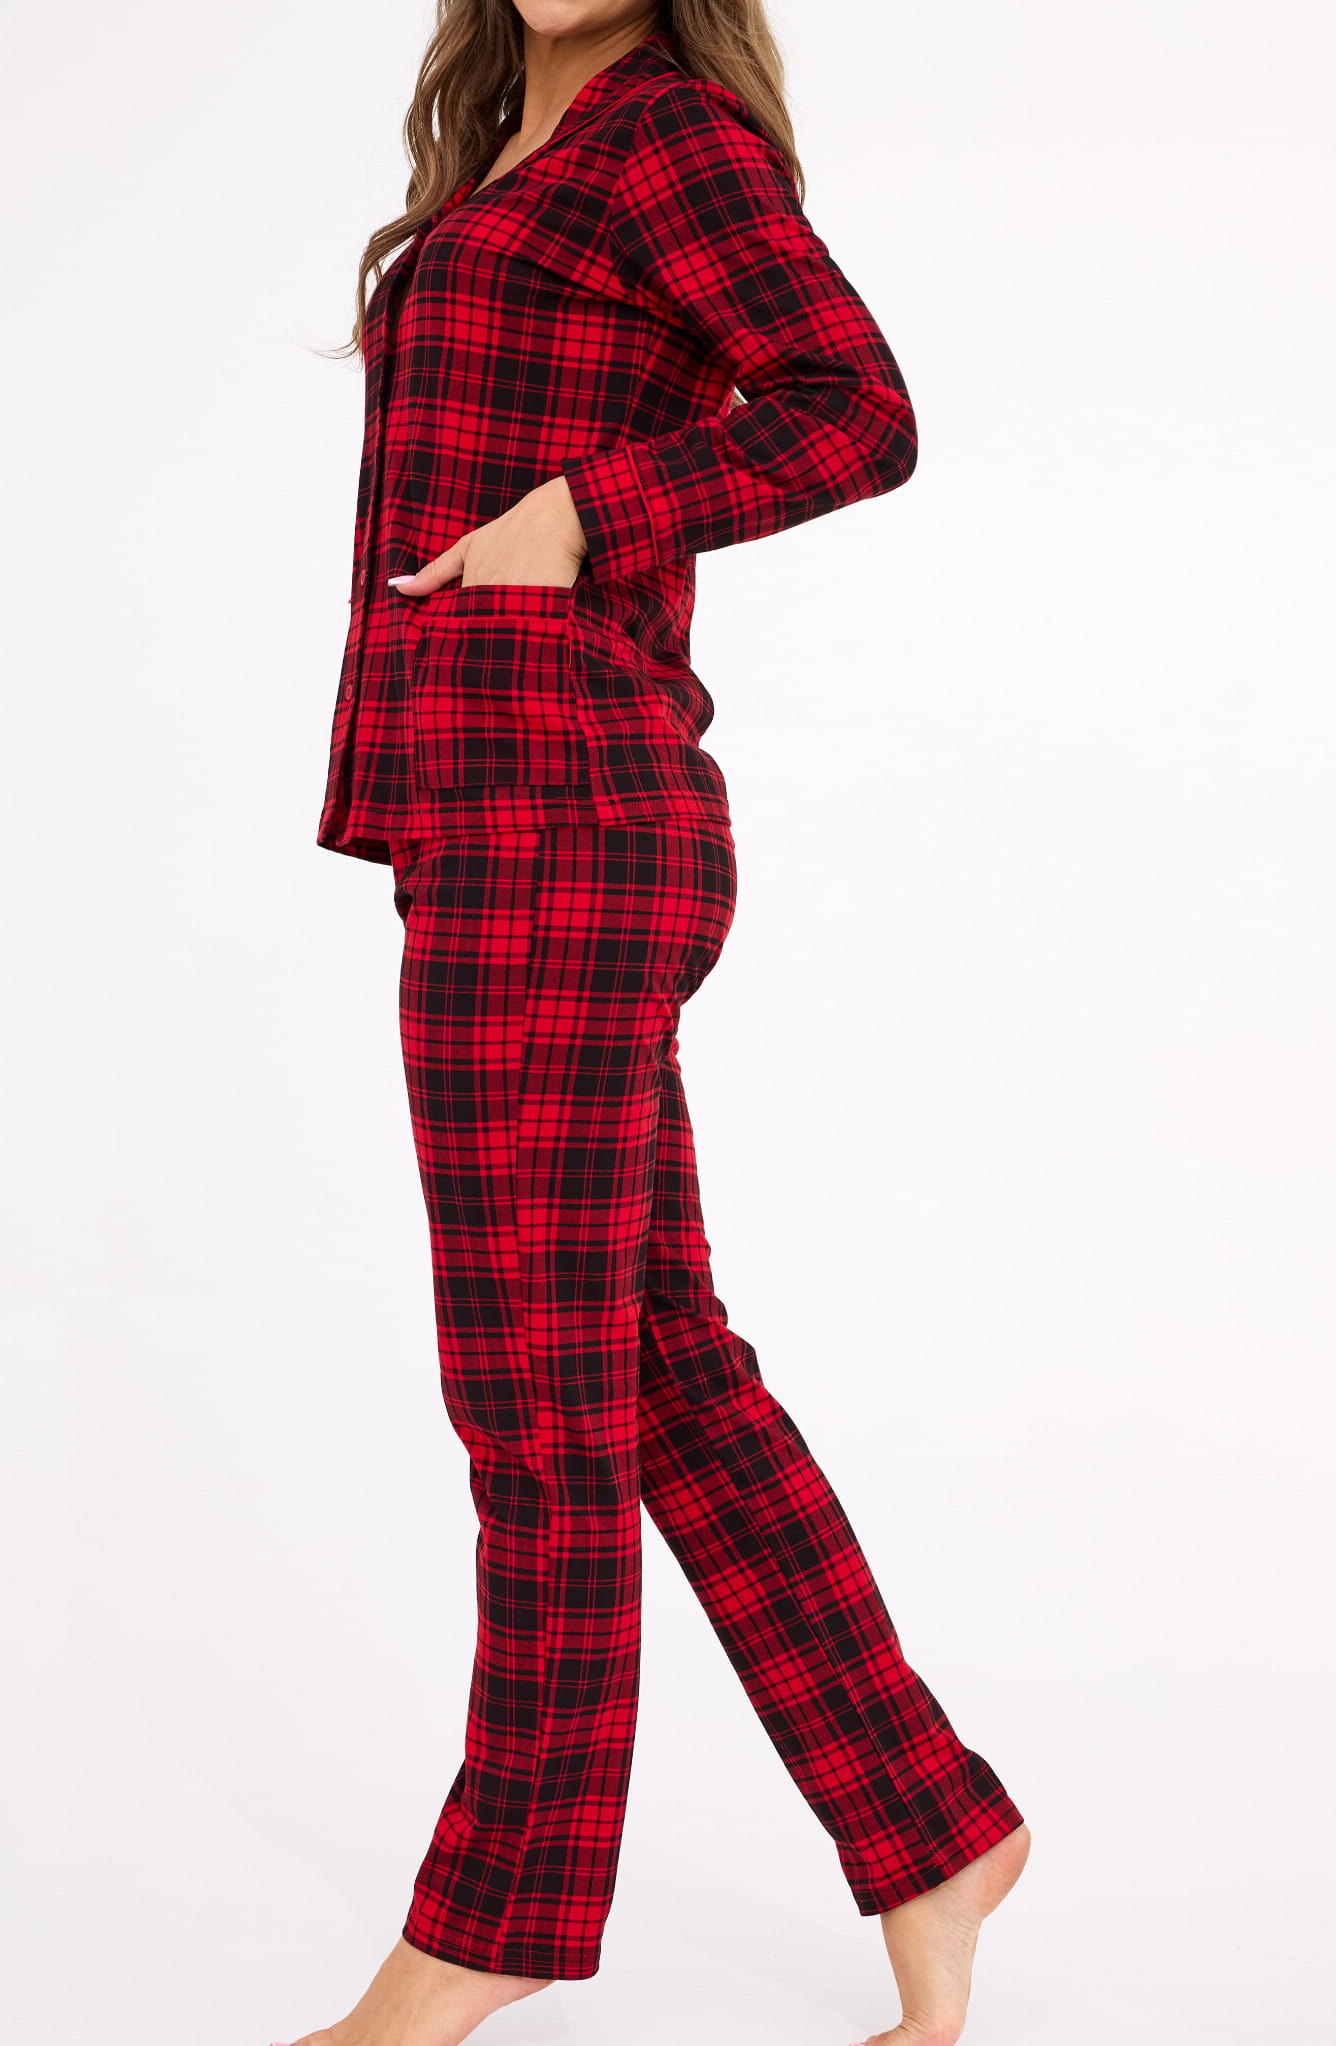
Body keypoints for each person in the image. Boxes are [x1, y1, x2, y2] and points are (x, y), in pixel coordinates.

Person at [286, 5, 1030, 2044]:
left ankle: (501, 1910)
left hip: (560, 814)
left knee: (534, 1401)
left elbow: (855, 407)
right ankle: (930, 1827)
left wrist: (584, 513)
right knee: (653, 1368)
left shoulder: (662, 143)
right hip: (503, 810)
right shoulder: (514, 153)